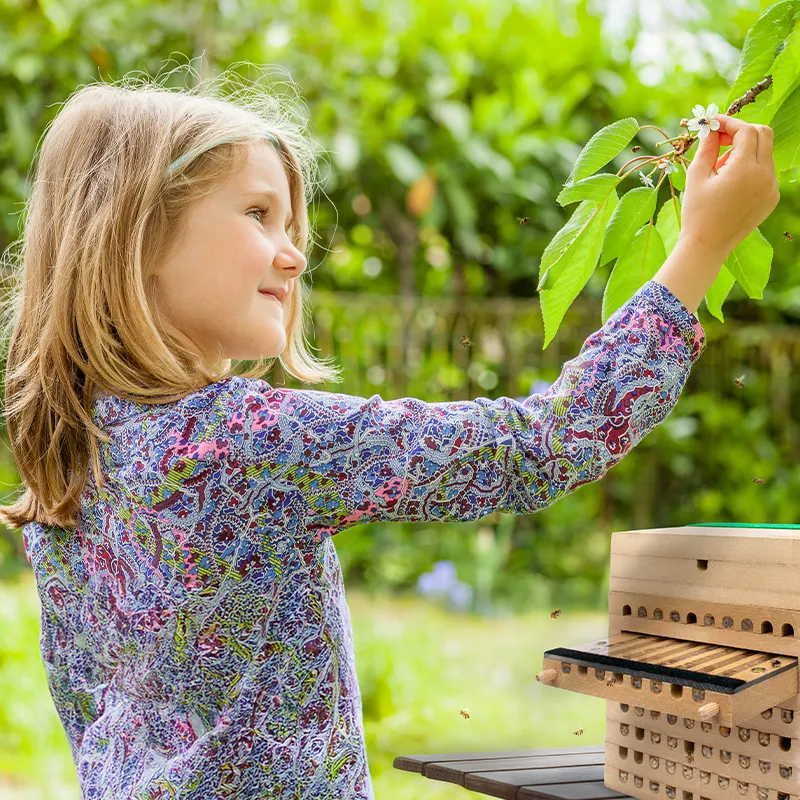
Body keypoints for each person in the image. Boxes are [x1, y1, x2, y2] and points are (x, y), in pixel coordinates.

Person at [0, 71, 779, 799]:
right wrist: (700, 247)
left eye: (292, 222)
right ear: (138, 238)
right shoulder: (243, 442)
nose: (293, 252)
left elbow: (91, 712)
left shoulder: (72, 461)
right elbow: (550, 441)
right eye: (256, 213)